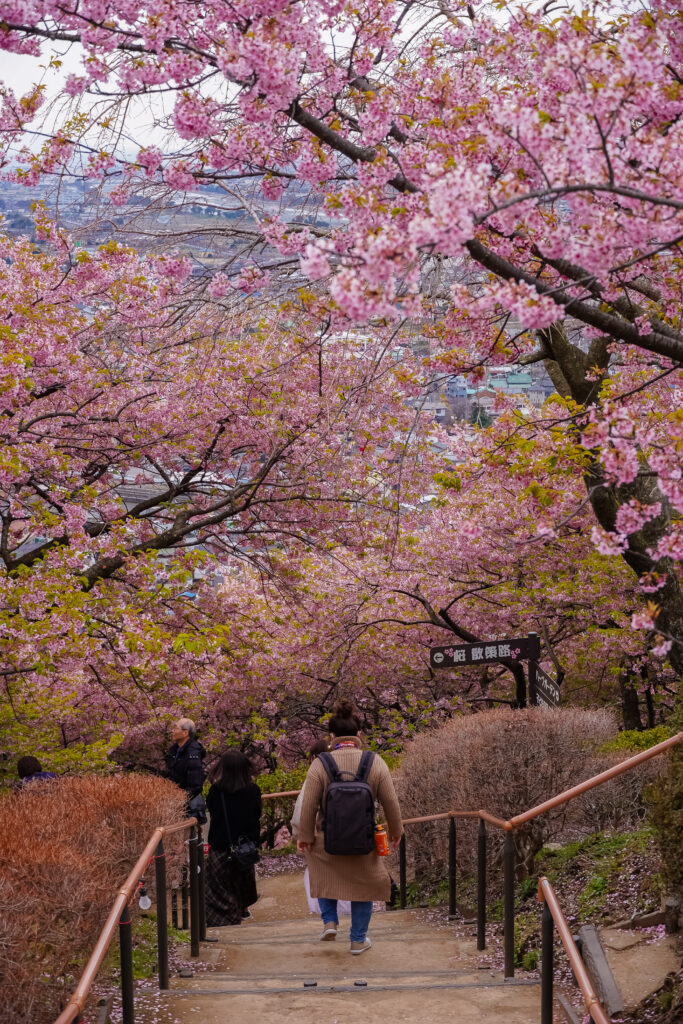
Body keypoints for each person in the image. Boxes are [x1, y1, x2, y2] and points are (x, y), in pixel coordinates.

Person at [296, 699, 403, 955]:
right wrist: (396, 831)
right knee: (364, 887)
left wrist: (305, 836)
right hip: (364, 840)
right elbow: (390, 801)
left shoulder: (320, 764)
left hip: (326, 840)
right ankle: (357, 940)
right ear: (359, 735)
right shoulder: (375, 762)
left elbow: (309, 806)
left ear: (331, 736)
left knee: (324, 875)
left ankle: (329, 921)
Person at [291, 739, 351, 917]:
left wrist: (301, 835)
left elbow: (303, 810)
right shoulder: (347, 772)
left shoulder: (315, 775)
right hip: (348, 834)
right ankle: (347, 915)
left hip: (320, 835)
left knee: (320, 874)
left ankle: (329, 919)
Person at [205, 749, 262, 926]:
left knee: (219, 888)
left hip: (221, 847)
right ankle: (241, 911)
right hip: (244, 849)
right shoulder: (253, 790)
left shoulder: (216, 791)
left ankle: (226, 919)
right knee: (241, 883)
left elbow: (213, 813)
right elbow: (256, 815)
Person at [164, 717, 206, 797]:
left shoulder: (192, 753)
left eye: (176, 728)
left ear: (185, 733)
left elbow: (195, 786)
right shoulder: (174, 750)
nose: (172, 731)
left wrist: (180, 799)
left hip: (184, 803)